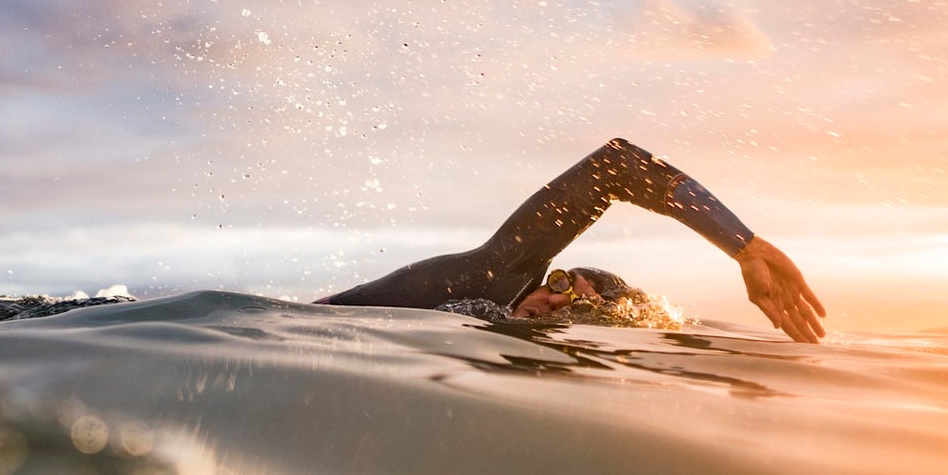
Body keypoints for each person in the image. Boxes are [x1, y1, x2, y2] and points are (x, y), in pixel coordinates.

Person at [319, 137, 827, 343]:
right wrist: (745, 246)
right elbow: (616, 165)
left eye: (574, 304)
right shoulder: (494, 276)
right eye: (561, 280)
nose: (555, 298)